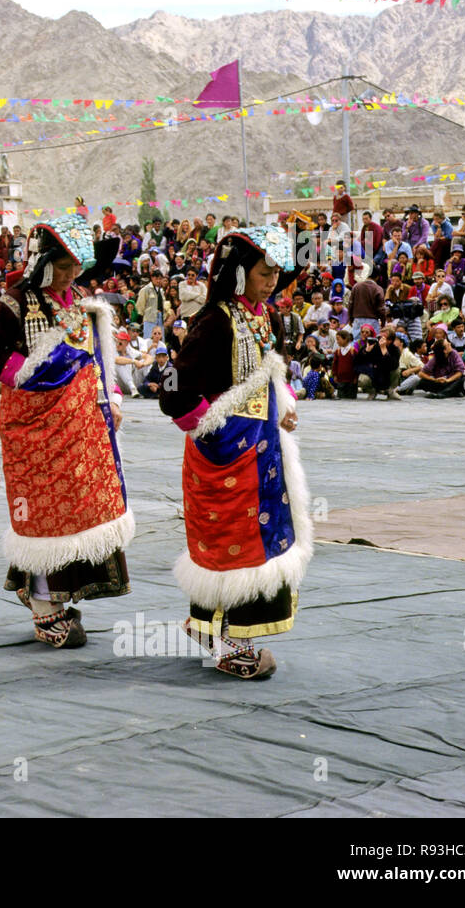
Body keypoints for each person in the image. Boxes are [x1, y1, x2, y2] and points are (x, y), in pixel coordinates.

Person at [0, 215, 131, 650]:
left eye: (76, 264)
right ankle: (43, 604)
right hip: (36, 428)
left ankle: (64, 594)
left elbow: (95, 357)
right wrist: (26, 375)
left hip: (82, 427)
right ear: (44, 262)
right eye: (63, 264)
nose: (71, 273)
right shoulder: (16, 303)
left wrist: (110, 395)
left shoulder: (81, 302)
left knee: (80, 511)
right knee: (41, 516)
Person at [158, 226, 312, 680]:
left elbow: (272, 373)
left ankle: (223, 630)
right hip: (224, 453)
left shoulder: (268, 317)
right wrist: (212, 429)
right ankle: (222, 635)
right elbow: (174, 391)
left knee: (261, 538)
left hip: (264, 451)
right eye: (264, 273)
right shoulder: (213, 321)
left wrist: (282, 407)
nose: (271, 282)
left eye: (276, 273)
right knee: (229, 541)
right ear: (240, 273)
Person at [416, 326, 465, 398]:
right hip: (441, 382)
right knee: (422, 382)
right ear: (444, 351)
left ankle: (443, 394)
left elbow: (460, 372)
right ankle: (450, 392)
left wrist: (448, 380)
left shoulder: (454, 353)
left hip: (452, 381)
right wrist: (434, 379)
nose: (450, 344)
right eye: (448, 345)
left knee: (463, 380)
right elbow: (421, 373)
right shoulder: (435, 358)